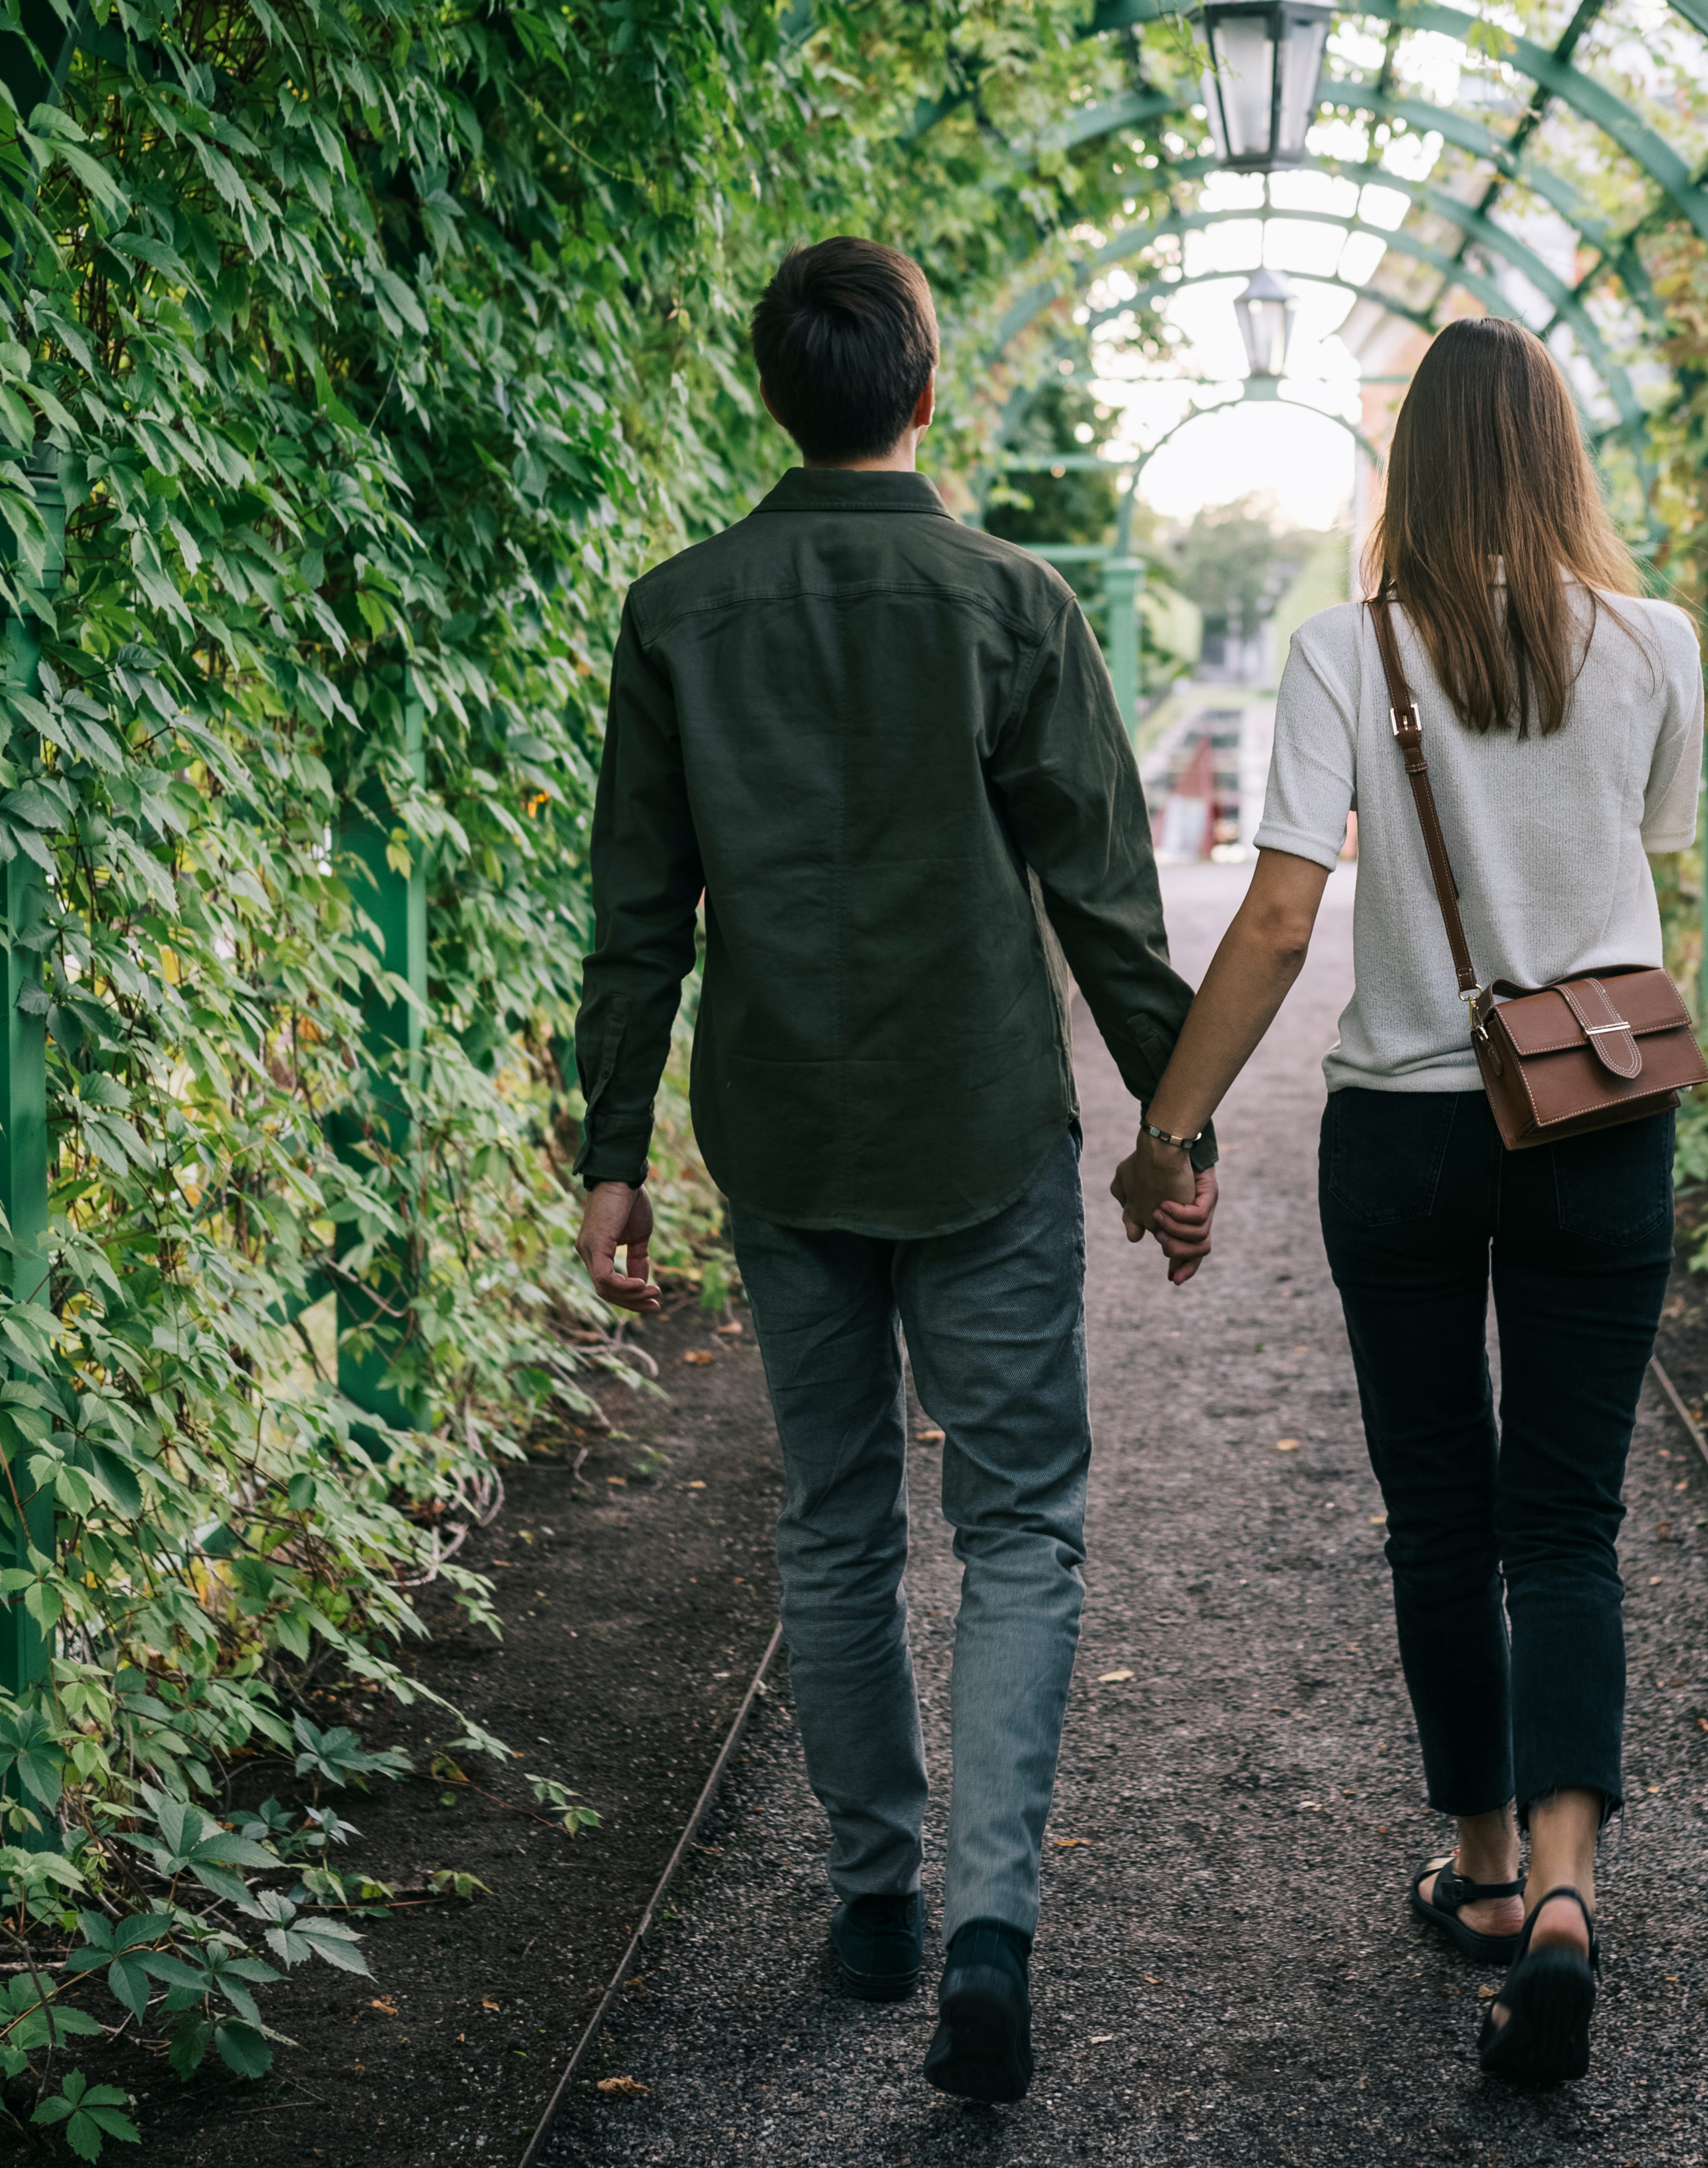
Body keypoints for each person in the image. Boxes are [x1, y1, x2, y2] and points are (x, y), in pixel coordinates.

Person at [571, 237, 1214, 2106]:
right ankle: (992, 1933)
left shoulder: (676, 610)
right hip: (982, 1128)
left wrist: (612, 1151)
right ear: (926, 389)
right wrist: (1171, 1142)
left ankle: (873, 1900)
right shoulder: (1010, 601)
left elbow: (639, 913)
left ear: (779, 392)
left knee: (833, 1516)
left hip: (780, 1133)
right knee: (1019, 1530)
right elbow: (1106, 896)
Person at [1105, 315, 1702, 2088]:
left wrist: (1169, 1131)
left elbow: (1283, 919)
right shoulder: (1659, 641)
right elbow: (1645, 860)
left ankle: (1488, 1874)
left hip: (1412, 1136)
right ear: (1562, 455)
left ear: (1413, 469)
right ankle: (1581, 1893)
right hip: (1604, 1121)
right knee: (1570, 1521)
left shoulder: (1339, 651)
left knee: (1442, 1516)